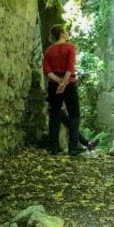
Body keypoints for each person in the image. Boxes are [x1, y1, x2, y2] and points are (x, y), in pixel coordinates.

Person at [42, 24, 82, 156]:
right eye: (65, 31)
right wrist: (64, 82)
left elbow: (46, 70)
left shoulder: (49, 50)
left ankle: (53, 148)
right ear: (61, 33)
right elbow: (70, 66)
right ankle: (73, 148)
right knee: (74, 114)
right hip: (69, 84)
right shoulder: (70, 47)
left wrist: (58, 81)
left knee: (55, 115)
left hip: (54, 85)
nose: (67, 33)